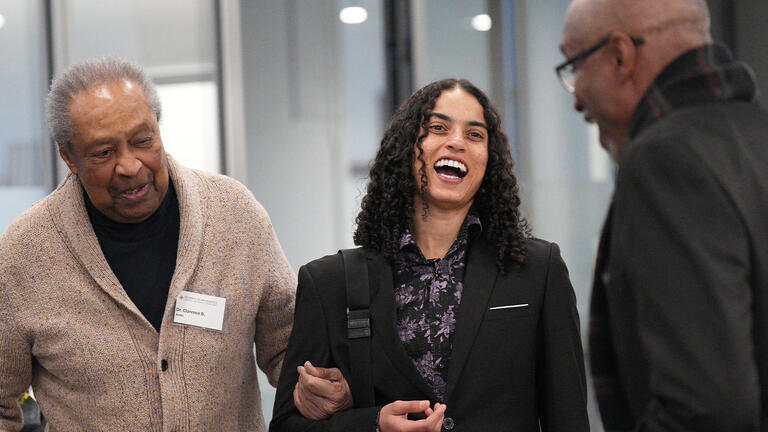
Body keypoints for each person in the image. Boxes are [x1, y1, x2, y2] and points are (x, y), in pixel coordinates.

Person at [0, 56, 329, 431]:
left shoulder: (234, 215)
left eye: (143, 141)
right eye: (104, 153)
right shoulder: (25, 253)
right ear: (69, 158)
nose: (130, 166)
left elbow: (290, 348)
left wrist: (317, 386)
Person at [270, 79, 589, 431]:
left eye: (475, 135)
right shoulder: (330, 282)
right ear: (407, 147)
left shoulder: (537, 270)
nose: (456, 142)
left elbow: (568, 416)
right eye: (438, 128)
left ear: (489, 160)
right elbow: (287, 425)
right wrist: (374, 424)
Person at [558, 0, 768, 430]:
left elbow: (706, 409)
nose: (576, 94)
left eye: (575, 65)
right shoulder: (755, 135)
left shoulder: (664, 160)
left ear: (621, 56)